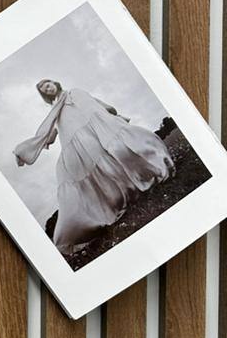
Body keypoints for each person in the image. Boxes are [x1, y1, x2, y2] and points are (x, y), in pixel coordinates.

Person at [13, 78, 175, 254]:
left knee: (118, 152)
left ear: (55, 83)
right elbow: (49, 133)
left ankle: (145, 174)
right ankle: (115, 201)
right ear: (46, 95)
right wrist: (27, 150)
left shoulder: (75, 92)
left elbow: (94, 102)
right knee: (97, 169)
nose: (48, 88)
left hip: (97, 128)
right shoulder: (55, 112)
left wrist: (110, 112)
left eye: (48, 84)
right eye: (44, 89)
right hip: (80, 142)